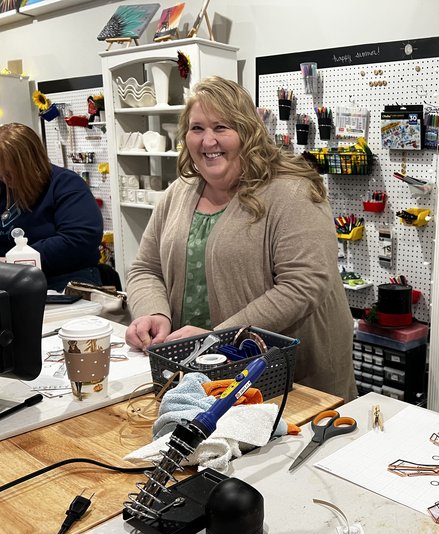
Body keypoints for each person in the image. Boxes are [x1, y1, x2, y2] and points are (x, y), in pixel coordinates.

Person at [125, 76, 357, 401]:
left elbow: (303, 285)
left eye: (221, 127)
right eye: (197, 129)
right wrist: (153, 313)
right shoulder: (179, 192)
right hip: (199, 375)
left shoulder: (291, 191)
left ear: (247, 131)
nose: (208, 141)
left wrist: (221, 337)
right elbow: (146, 268)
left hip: (285, 379)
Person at [0, 123, 103, 291]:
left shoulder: (66, 185)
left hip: (65, 278)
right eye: (1, 175)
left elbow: (79, 239)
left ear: (30, 164)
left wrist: (16, 260)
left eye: (10, 174)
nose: (6, 180)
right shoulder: (3, 186)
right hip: (12, 279)